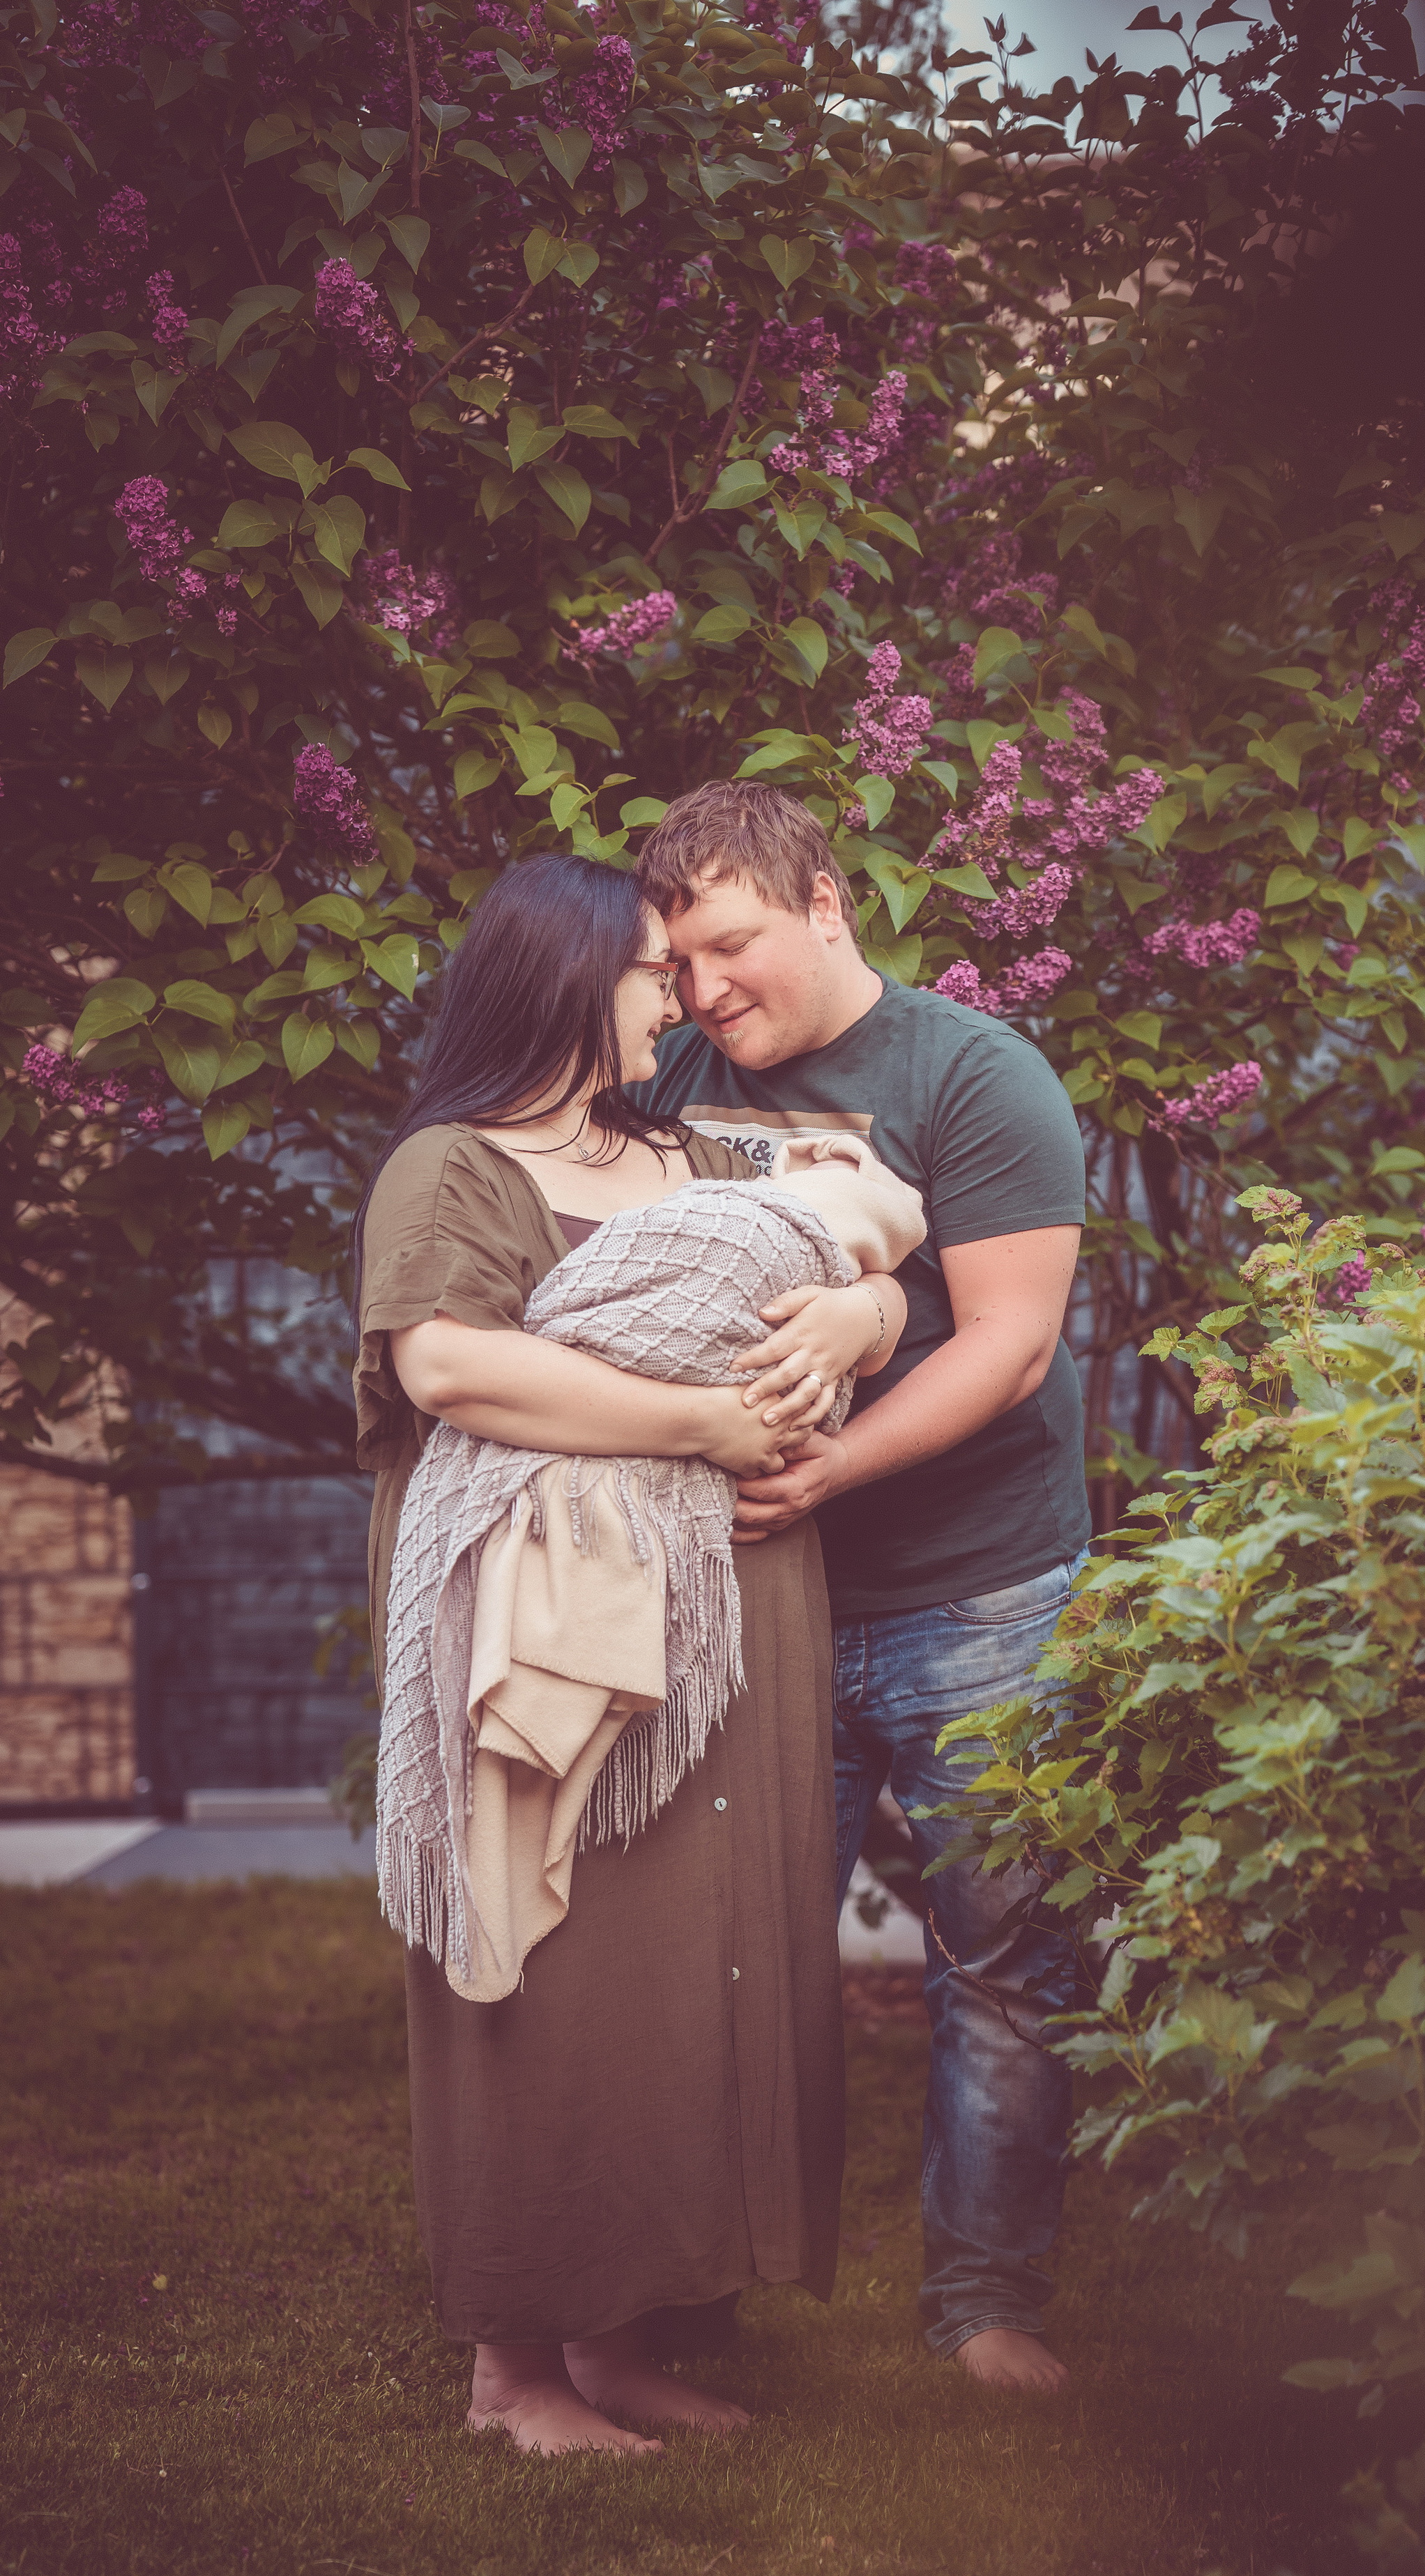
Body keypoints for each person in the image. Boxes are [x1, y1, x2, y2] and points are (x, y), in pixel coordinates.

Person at [353, 850, 908, 2456]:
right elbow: (455, 1366)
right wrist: (704, 1422)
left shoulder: (699, 1146)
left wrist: (855, 1329)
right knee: (543, 1964)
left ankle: (625, 2339)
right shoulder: (449, 1169)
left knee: (696, 1962)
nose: (679, 999)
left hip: (731, 1604)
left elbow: (870, 1246)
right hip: (541, 1614)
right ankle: (513, 2372)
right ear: (564, 978)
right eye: (651, 972)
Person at [635, 781, 1092, 2394]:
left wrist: (829, 1465)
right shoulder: (665, 1076)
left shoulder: (971, 1074)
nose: (706, 993)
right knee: (721, 1957)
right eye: (679, 963)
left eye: (734, 945)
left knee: (1007, 1957)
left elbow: (1009, 1339)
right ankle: (682, 2310)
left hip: (977, 1594)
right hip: (750, 1598)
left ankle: (984, 2309)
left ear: (826, 902)